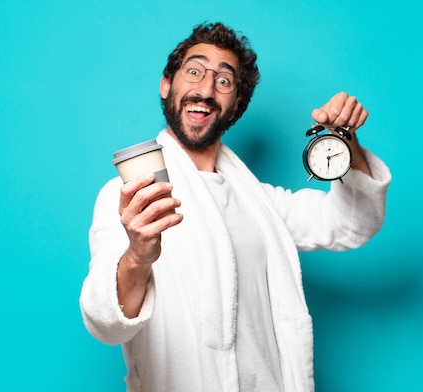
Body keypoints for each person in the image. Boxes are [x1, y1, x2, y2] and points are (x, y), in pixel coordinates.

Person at [80, 22, 391, 392]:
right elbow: (105, 322)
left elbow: (350, 223)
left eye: (224, 81)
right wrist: (138, 255)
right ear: (167, 84)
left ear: (236, 106)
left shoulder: (259, 203)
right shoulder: (129, 196)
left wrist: (344, 138)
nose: (206, 89)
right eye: (194, 71)